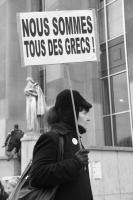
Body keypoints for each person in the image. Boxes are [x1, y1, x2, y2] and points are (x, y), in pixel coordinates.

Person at [29, 89, 93, 200]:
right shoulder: (52, 137)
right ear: (71, 112)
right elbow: (37, 176)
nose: (89, 118)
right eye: (84, 112)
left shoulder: (75, 138)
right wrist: (75, 163)